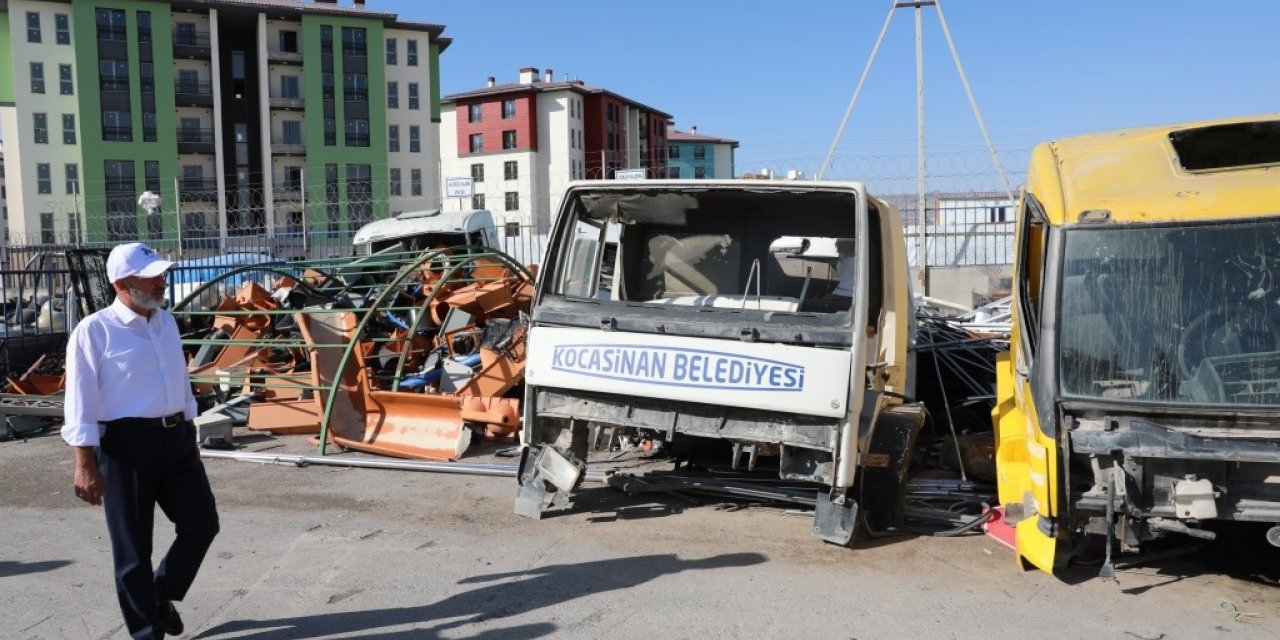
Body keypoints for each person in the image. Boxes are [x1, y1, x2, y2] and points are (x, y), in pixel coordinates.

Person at [63, 242, 219, 640]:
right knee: (133, 550)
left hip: (176, 441)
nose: (162, 283)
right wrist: (84, 464)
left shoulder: (165, 322)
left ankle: (160, 592)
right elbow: (78, 402)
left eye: (161, 275)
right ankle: (146, 632)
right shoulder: (94, 331)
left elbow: (179, 379)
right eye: (152, 277)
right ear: (123, 284)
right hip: (125, 447)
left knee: (202, 524)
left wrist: (190, 428)